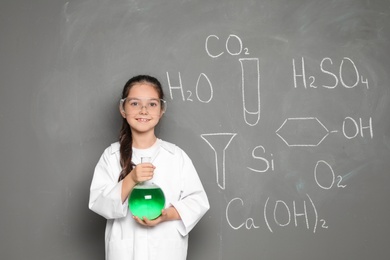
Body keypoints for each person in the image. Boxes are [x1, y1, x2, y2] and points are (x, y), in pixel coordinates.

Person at [89, 75, 210, 260]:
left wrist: (165, 216)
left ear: (161, 110)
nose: (143, 110)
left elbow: (198, 202)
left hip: (166, 251)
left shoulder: (176, 156)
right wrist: (131, 178)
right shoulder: (111, 155)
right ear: (123, 109)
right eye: (135, 103)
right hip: (124, 253)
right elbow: (99, 203)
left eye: (152, 104)